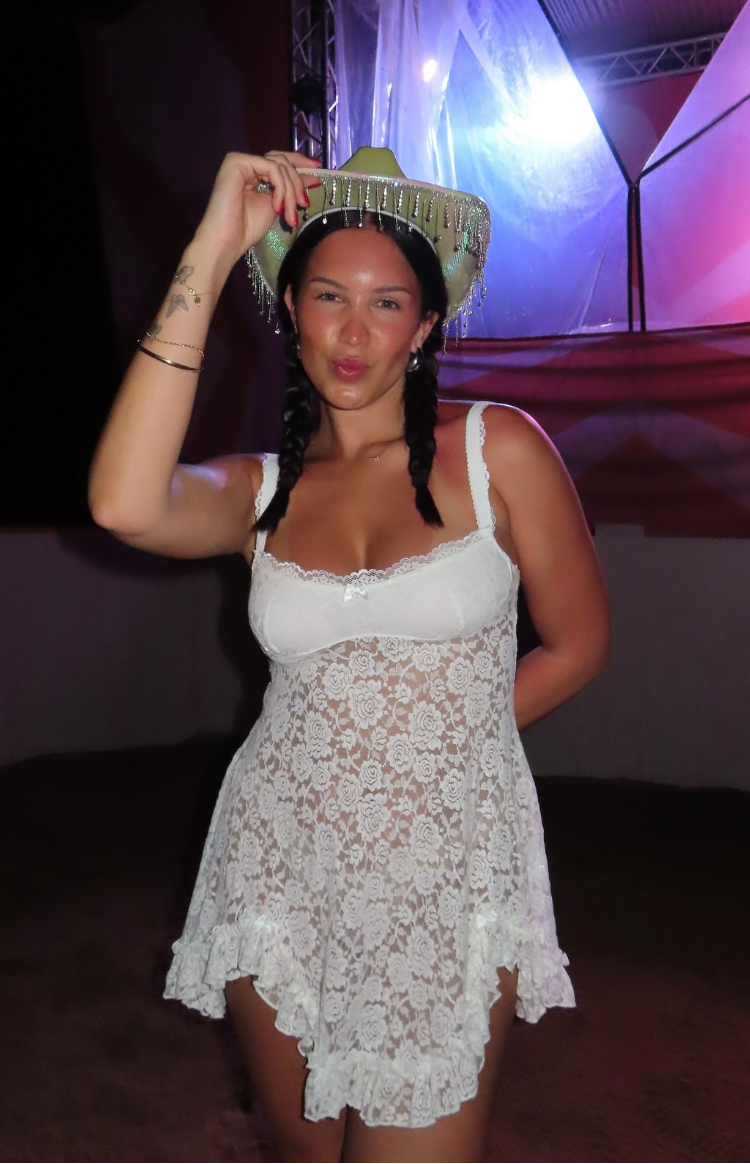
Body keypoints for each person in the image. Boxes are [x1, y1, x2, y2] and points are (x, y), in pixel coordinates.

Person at [89, 147, 610, 1163]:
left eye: (387, 303)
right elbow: (122, 502)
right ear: (291, 309)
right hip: (277, 860)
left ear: (426, 325)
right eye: (329, 296)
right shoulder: (261, 491)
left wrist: (430, 752)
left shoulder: (497, 450)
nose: (355, 332)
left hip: (445, 872)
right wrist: (214, 245)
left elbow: (581, 644)